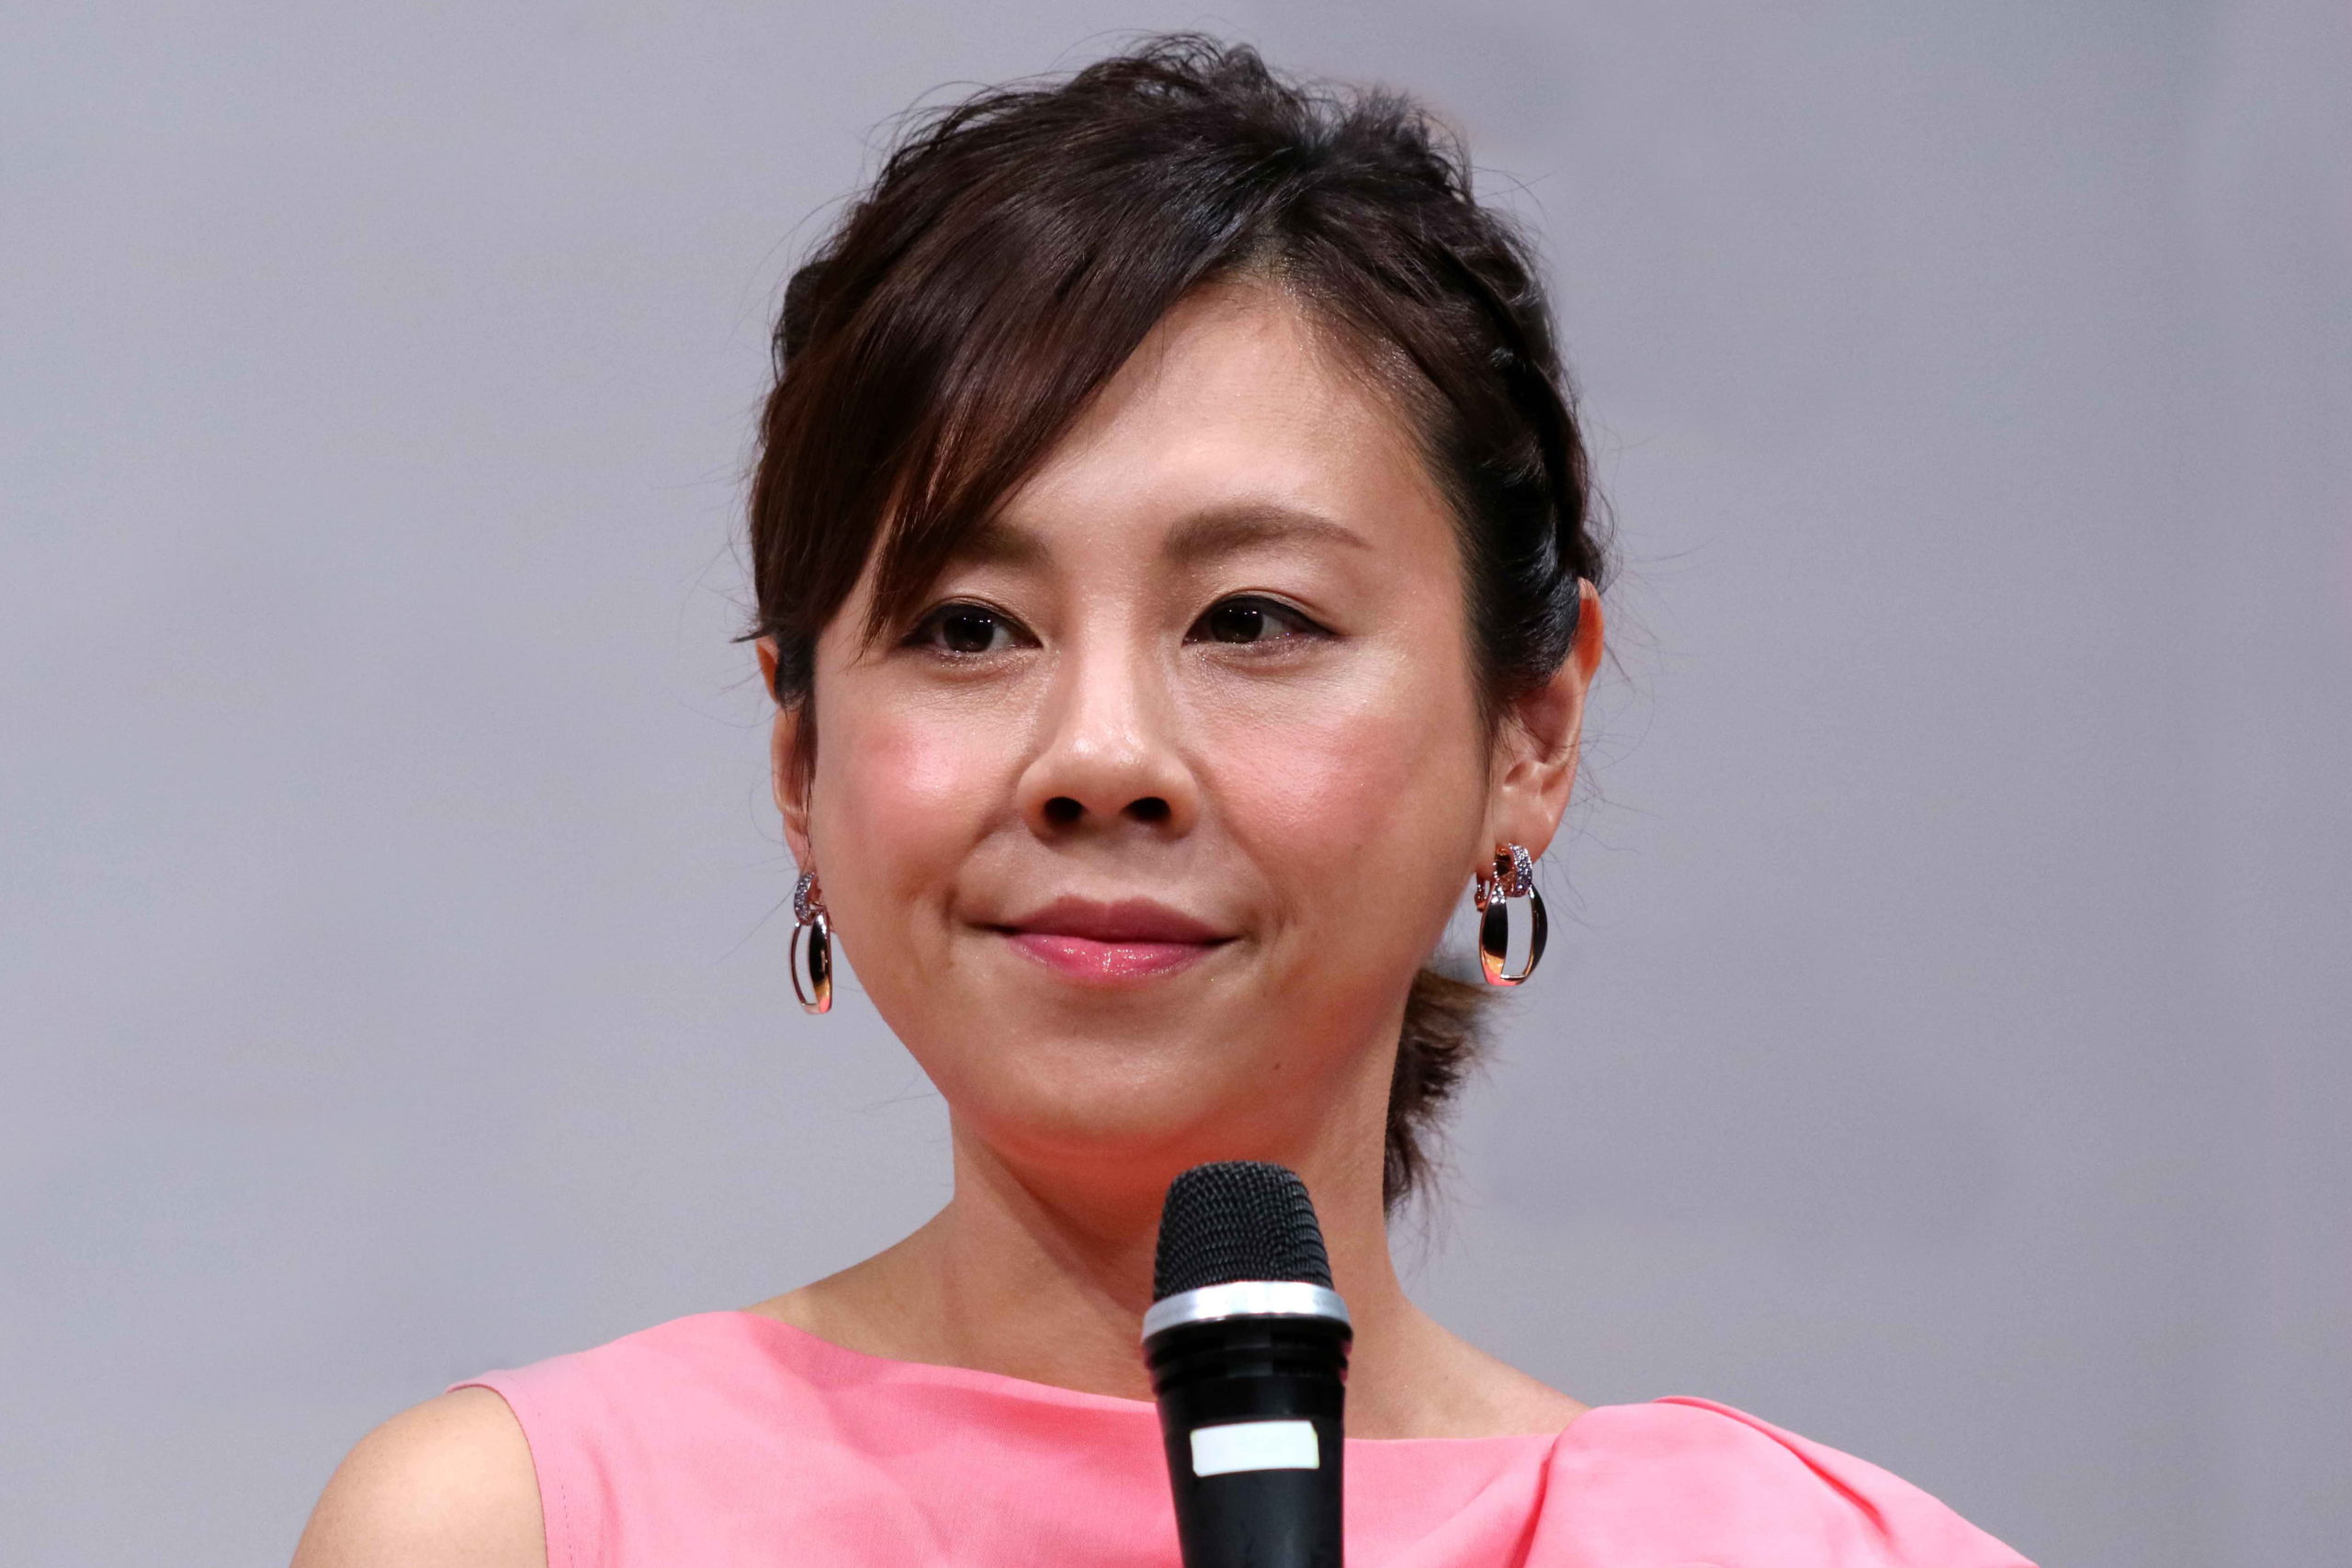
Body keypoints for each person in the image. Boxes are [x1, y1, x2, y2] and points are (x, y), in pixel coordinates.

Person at [294, 35, 2033, 1568]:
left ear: (1532, 732)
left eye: (1252, 620)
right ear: (800, 760)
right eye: (969, 628)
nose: (1100, 758)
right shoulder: (512, 1532)